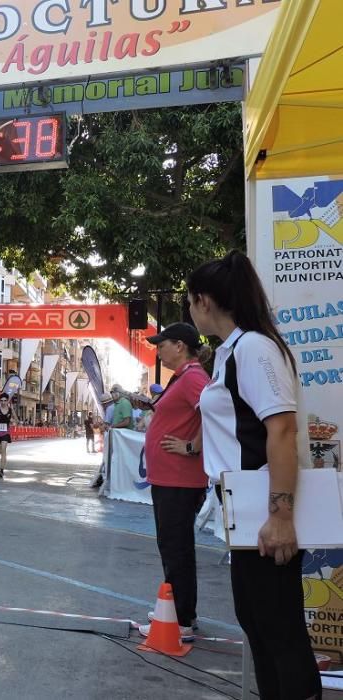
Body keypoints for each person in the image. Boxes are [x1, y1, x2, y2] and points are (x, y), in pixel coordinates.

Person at [189, 251, 320, 698]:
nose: (190, 311)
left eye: (189, 302)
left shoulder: (254, 349)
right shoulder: (229, 352)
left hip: (264, 514)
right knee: (259, 626)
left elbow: (281, 429)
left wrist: (280, 515)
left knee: (279, 632)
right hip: (242, 513)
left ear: (203, 301)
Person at [137, 322, 211, 643]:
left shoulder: (194, 377)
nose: (158, 351)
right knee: (174, 545)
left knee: (175, 547)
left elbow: (216, 415)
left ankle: (180, 619)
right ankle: (181, 612)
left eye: (161, 344)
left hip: (179, 479)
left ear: (179, 346)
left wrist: (191, 446)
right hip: (171, 478)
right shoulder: (184, 377)